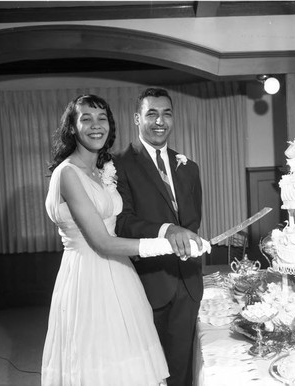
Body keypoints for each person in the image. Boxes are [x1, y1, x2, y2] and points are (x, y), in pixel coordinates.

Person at [41, 94, 210, 386]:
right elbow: (106, 239)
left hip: (125, 275)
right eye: (86, 119)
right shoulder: (72, 172)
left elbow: (190, 220)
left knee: (142, 367)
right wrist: (167, 238)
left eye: (102, 118)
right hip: (91, 277)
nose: (96, 126)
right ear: (71, 127)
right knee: (101, 364)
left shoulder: (101, 170)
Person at [115, 88, 204, 386]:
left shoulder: (188, 167)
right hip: (149, 282)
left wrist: (192, 242)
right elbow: (123, 223)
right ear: (136, 118)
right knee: (150, 372)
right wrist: (167, 231)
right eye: (151, 113)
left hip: (188, 281)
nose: (159, 121)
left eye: (166, 113)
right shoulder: (118, 166)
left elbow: (192, 221)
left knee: (183, 367)